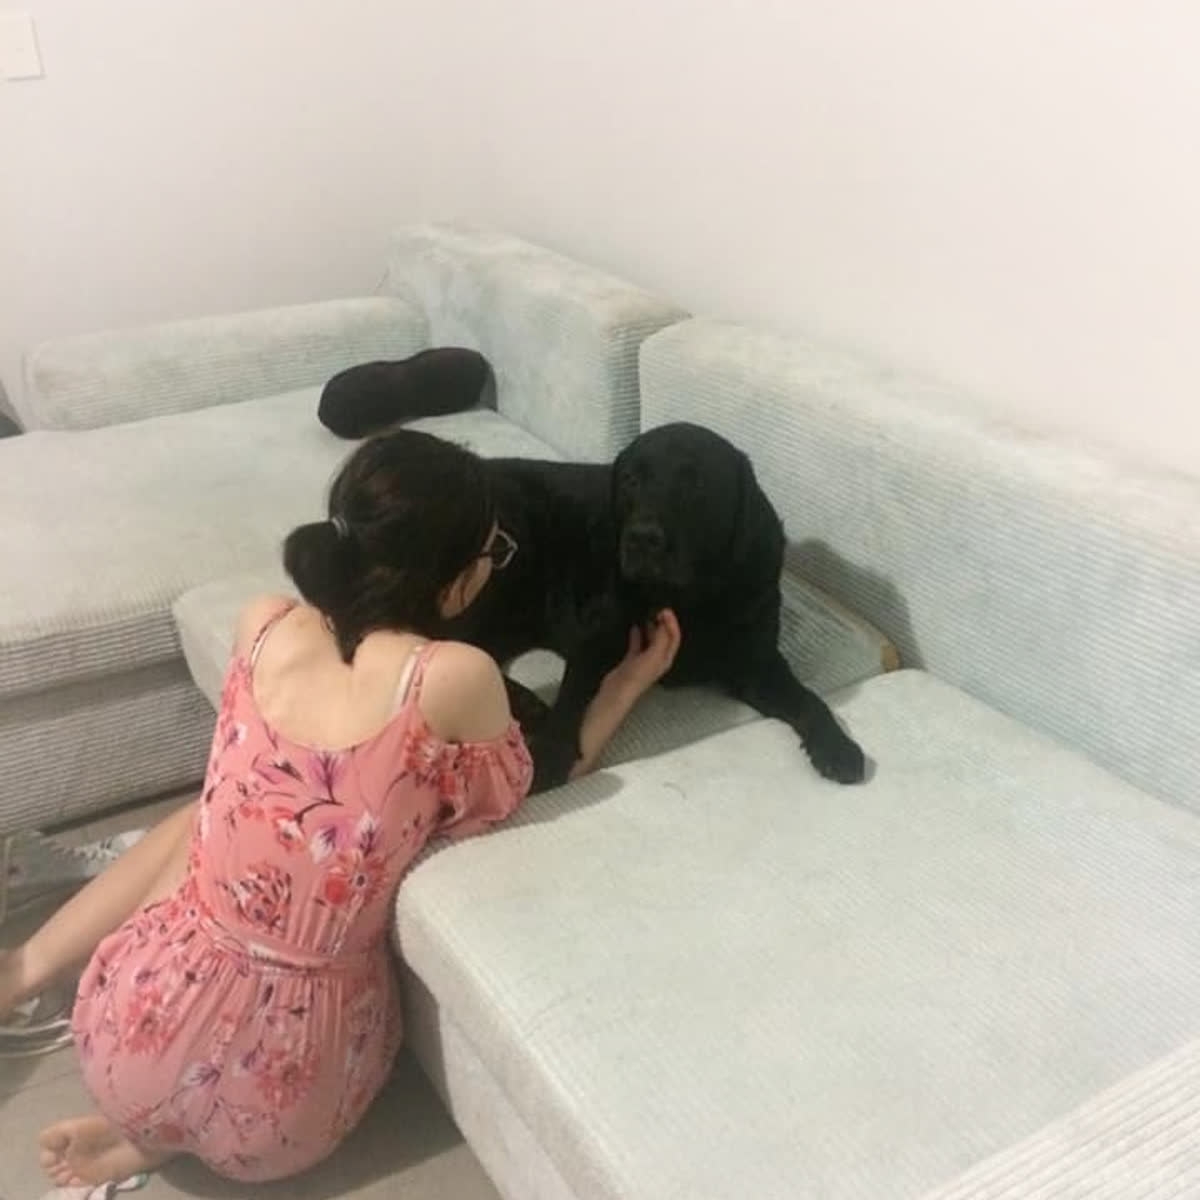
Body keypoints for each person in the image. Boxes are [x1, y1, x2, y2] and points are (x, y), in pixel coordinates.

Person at [0, 429, 681, 1190]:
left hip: (125, 1023)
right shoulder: (453, 677)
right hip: (283, 1114)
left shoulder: (262, 621)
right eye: (492, 552)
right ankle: (165, 1131)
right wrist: (623, 687)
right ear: (457, 580)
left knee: (206, 826)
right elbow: (530, 780)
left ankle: (40, 990)